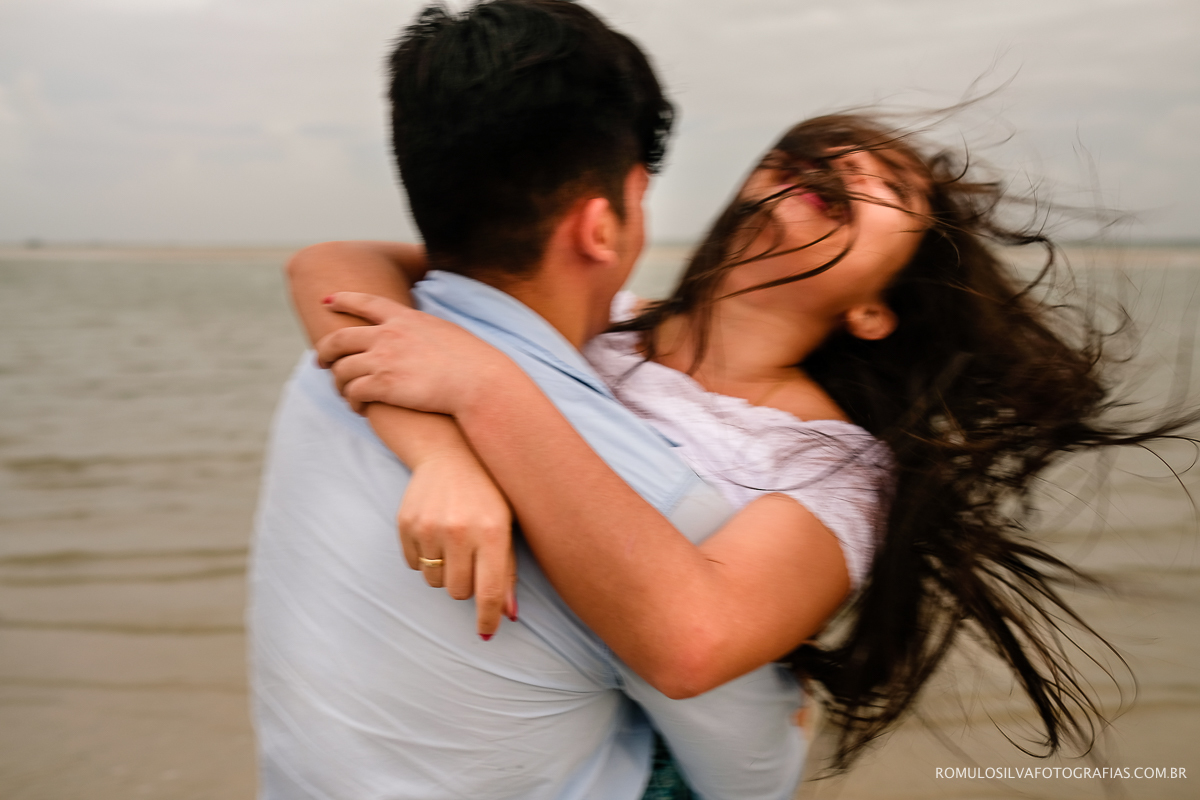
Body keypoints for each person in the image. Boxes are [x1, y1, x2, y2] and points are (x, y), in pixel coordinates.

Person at [310, 110, 1199, 775]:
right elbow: (332, 268)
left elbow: (692, 642)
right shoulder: (598, 323)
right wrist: (444, 458)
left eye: (887, 185)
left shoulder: (835, 467)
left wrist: (486, 389)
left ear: (875, 309)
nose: (844, 163)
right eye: (819, 152)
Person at [250, 2, 811, 799]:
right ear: (601, 224)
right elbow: (755, 779)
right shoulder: (647, 499)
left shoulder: (336, 360)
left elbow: (327, 264)